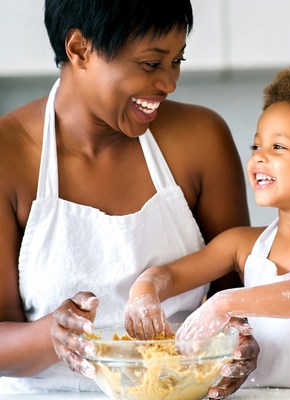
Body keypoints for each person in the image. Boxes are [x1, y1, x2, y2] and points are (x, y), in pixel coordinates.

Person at [0, 0, 259, 396]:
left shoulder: (202, 139)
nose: (170, 83)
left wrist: (239, 338)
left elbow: (234, 294)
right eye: (152, 64)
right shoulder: (9, 154)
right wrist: (51, 336)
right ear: (79, 49)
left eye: (177, 61)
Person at [125, 66, 290, 389]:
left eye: (277, 147)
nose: (259, 158)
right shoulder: (241, 245)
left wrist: (225, 302)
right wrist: (145, 290)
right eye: (256, 146)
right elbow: (172, 275)